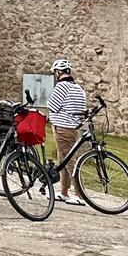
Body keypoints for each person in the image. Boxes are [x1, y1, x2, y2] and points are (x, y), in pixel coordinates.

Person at [47, 59, 90, 206]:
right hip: (73, 128)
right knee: (64, 159)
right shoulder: (78, 88)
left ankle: (79, 194)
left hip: (62, 127)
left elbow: (52, 105)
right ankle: (64, 191)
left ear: (58, 72)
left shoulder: (61, 86)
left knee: (70, 161)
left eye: (55, 73)